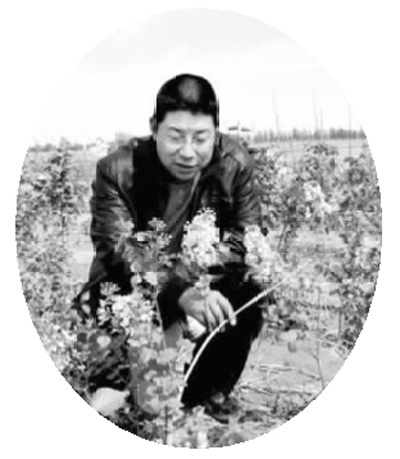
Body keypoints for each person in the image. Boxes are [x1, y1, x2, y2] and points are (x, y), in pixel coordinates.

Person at [76, 73, 266, 422]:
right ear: (154, 127)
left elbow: (245, 237)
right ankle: (129, 387)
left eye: (201, 138)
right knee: (121, 402)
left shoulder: (234, 163)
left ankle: (206, 397)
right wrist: (179, 293)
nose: (188, 152)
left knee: (249, 293)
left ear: (216, 132)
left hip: (200, 282)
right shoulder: (117, 170)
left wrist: (197, 286)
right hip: (131, 291)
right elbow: (118, 247)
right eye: (175, 137)